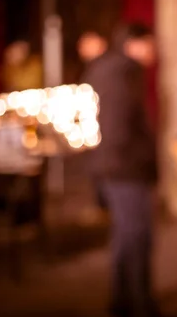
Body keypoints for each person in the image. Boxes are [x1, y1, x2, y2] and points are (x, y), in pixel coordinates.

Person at [82, 22, 160, 317]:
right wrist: (137, 161)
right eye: (149, 43)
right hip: (126, 170)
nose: (153, 51)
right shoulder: (123, 73)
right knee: (135, 237)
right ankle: (138, 304)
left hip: (118, 167)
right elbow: (117, 130)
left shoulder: (114, 70)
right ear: (134, 44)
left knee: (127, 236)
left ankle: (124, 301)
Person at [77, 31, 109, 222]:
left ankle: (105, 208)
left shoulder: (105, 68)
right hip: (95, 127)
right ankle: (101, 207)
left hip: (103, 128)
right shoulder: (94, 67)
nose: (82, 50)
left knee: (103, 170)